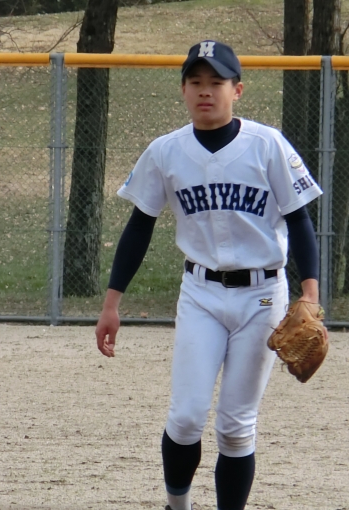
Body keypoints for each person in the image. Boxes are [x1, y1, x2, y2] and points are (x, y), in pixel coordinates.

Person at [95, 41, 326, 510]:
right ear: (182, 90)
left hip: (262, 295)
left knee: (236, 426)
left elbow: (300, 220)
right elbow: (139, 226)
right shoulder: (166, 151)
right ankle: (176, 506)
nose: (205, 91)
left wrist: (310, 293)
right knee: (185, 418)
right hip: (200, 293)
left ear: (237, 90)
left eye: (216, 82)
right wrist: (111, 304)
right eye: (195, 82)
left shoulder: (267, 145)